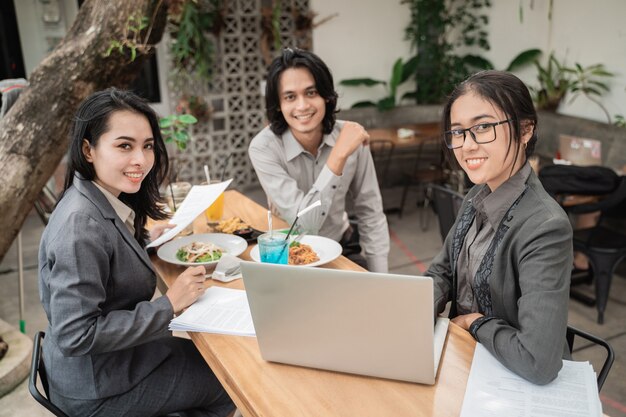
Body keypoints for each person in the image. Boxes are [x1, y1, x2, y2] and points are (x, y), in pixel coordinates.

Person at [38, 88, 235, 416]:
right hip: (96, 389)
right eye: (124, 146)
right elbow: (76, 335)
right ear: (88, 149)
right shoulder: (79, 226)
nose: (140, 160)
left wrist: (142, 239)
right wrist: (169, 304)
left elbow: (103, 256)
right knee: (227, 383)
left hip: (111, 362)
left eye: (147, 146)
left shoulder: (95, 198)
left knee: (214, 357)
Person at [427, 70, 573, 385]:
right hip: (466, 360)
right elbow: (441, 272)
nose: (467, 146)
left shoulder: (546, 226)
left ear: (525, 130)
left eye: (483, 127)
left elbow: (538, 362)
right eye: (458, 132)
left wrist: (477, 323)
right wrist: (413, 310)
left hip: (512, 380)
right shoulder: (476, 195)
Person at [248, 48, 390, 272]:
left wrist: (382, 277)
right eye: (290, 97)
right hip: (288, 253)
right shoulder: (263, 148)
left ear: (326, 96)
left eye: (311, 92)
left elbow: (370, 211)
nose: (302, 106)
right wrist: (338, 156)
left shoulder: (350, 136)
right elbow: (307, 225)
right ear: (278, 104)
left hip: (340, 245)